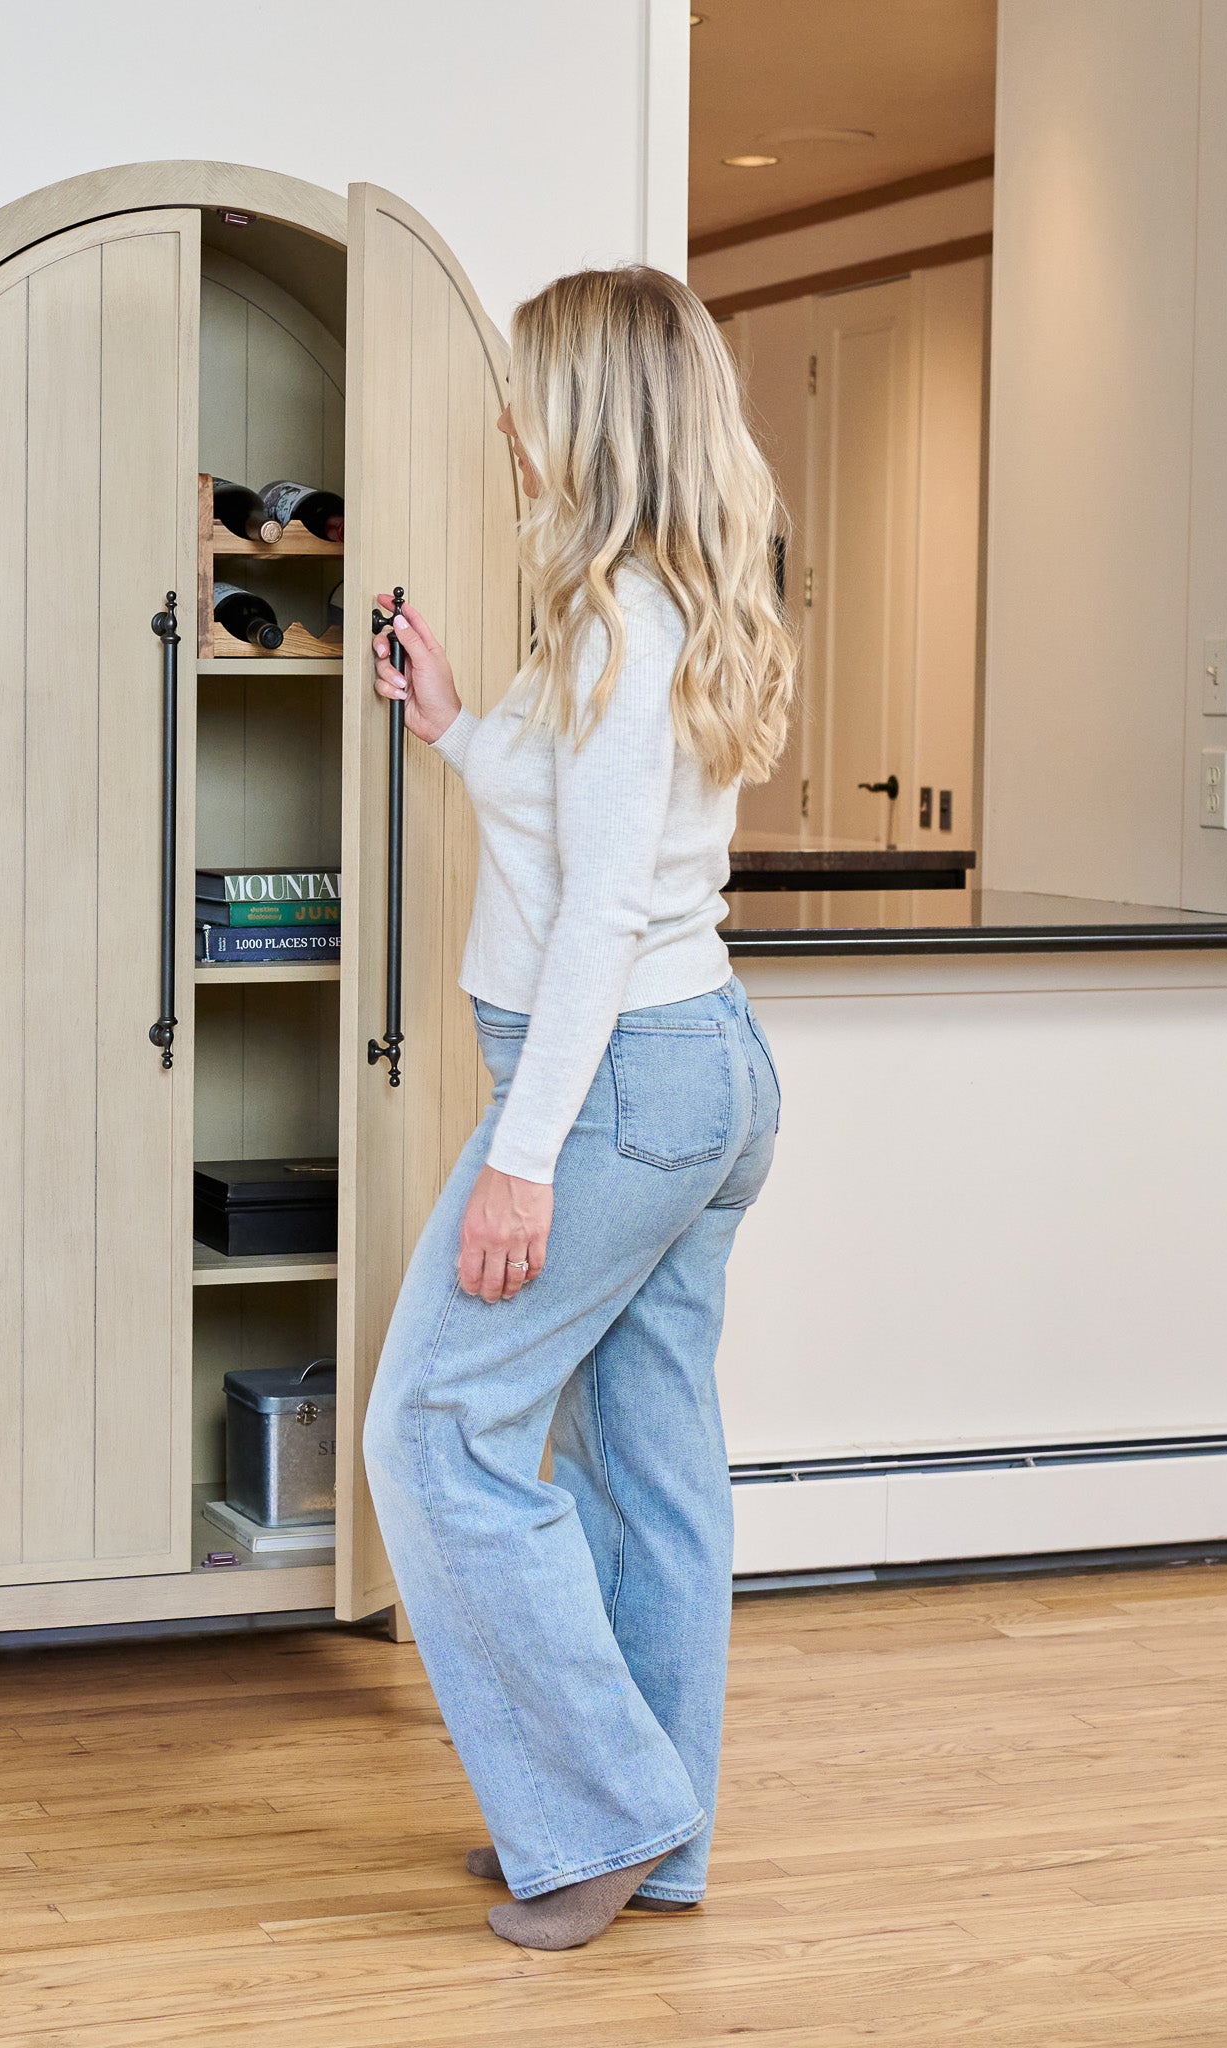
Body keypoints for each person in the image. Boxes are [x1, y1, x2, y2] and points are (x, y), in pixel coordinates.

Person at [361, 264, 793, 1952]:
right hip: (704, 1076)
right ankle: (648, 1833)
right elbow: (583, 834)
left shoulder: (625, 625)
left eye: (525, 390)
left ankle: (598, 1811)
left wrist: (519, 1162)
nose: (503, 422)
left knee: (435, 1432)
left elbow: (603, 918)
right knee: (646, 1463)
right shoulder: (641, 607)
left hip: (616, 1086)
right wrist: (458, 723)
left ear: (590, 417)